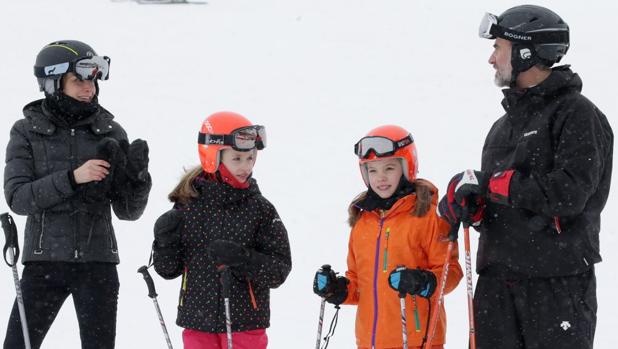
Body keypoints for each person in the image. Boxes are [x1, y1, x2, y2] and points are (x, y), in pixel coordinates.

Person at [439, 5, 613, 349]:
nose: (491, 59)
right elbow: (501, 197)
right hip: (497, 285)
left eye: (498, 48)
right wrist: (474, 205)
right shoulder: (502, 127)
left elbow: (569, 194)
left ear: (525, 51)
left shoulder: (577, 114)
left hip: (554, 282)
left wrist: (496, 185)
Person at [3, 40, 152, 349]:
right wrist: (72, 178)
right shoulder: (26, 131)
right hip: (44, 264)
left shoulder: (110, 131)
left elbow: (128, 211)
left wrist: (138, 180)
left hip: (97, 266)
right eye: (79, 79)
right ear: (53, 82)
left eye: (94, 79)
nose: (90, 88)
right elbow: (18, 198)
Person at [313, 125, 462, 349]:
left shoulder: (429, 216)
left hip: (417, 342)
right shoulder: (363, 222)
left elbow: (452, 273)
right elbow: (359, 283)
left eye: (389, 168)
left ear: (407, 167)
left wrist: (423, 282)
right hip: (369, 343)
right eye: (372, 171)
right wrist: (338, 289)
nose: (380, 178)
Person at [152, 111, 292, 349]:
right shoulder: (188, 205)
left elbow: (278, 271)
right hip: (197, 321)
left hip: (245, 324)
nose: (246, 166)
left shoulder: (260, 209)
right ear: (212, 157)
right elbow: (168, 271)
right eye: (237, 159)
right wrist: (165, 242)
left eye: (250, 158)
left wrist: (243, 258)